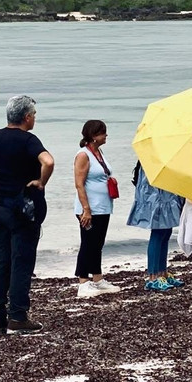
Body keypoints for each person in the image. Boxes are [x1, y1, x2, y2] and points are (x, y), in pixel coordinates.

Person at [0, 95, 54, 334]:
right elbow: (48, 161)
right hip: (24, 209)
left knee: (1, 261)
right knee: (22, 261)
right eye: (34, 115)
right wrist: (40, 181)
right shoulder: (28, 140)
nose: (34, 119)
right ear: (26, 117)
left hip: (0, 208)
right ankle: (17, 316)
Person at [73, 120, 122, 298]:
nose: (106, 136)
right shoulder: (83, 155)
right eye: (103, 133)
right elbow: (79, 184)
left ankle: (97, 278)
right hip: (89, 208)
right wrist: (86, 209)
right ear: (93, 136)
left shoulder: (98, 152)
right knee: (88, 242)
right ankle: (83, 281)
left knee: (98, 244)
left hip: (103, 207)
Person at [127, 163, 185, 291]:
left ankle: (162, 273)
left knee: (166, 232)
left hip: (166, 192)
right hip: (156, 194)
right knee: (158, 233)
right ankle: (153, 277)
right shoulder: (151, 155)